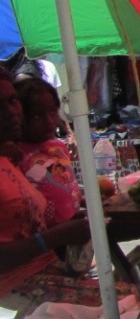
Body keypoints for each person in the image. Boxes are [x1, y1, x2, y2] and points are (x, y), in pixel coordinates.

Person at [0, 68, 92, 317]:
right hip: (17, 282)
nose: (10, 112)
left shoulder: (9, 158)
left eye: (12, 100)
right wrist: (55, 237)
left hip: (48, 268)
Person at [16, 78, 81, 226]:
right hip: (44, 241)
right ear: (19, 116)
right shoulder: (16, 156)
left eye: (52, 112)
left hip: (73, 234)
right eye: (37, 116)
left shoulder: (59, 148)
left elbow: (66, 189)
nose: (49, 121)